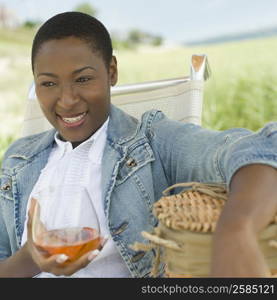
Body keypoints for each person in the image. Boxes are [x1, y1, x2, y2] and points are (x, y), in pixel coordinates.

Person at [0, 11, 276, 278]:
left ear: (111, 72)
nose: (67, 100)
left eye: (83, 79)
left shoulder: (152, 141)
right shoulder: (18, 159)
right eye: (48, 84)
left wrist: (237, 229)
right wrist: (28, 260)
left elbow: (260, 147)